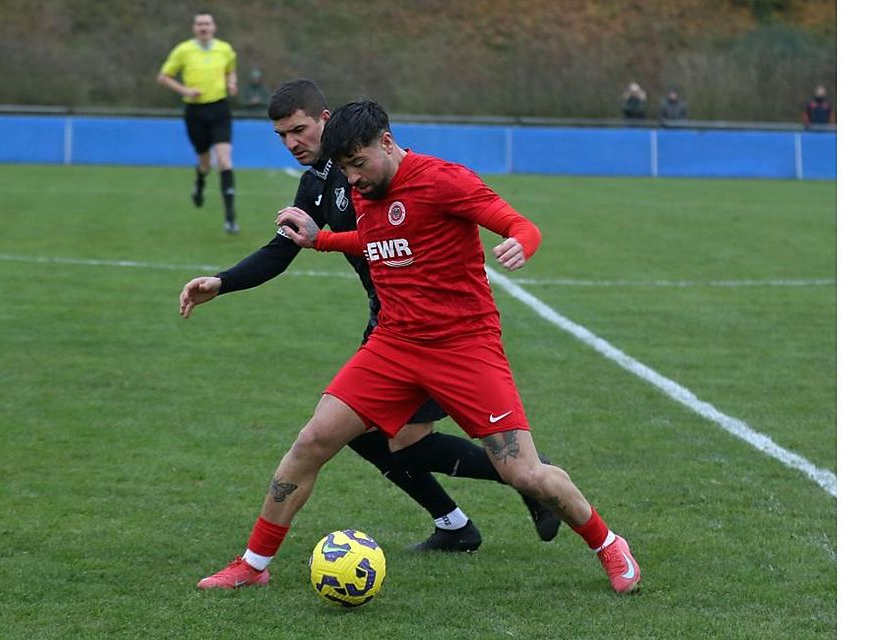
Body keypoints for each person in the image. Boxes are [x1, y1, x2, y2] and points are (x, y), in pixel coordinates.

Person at [192, 98, 642, 595]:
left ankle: (608, 544)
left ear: (386, 142)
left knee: (526, 473)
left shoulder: (444, 179)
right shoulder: (365, 186)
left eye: (359, 165)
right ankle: (254, 563)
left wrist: (521, 242)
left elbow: (520, 224)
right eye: (345, 169)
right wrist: (320, 240)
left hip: (464, 347)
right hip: (393, 343)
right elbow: (376, 237)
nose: (353, 180)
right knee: (312, 442)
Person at [157, 11, 240, 234]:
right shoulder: (184, 50)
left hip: (220, 108)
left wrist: (232, 83)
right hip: (195, 111)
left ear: (214, 27)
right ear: (194, 28)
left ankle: (230, 218)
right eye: (200, 24)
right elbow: (164, 76)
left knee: (224, 160)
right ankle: (200, 182)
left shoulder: (225, 49)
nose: (204, 27)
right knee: (205, 162)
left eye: (207, 23)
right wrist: (185, 90)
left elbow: (231, 71)